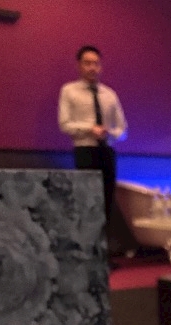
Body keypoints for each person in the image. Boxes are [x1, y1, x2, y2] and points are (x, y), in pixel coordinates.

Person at [58, 46, 127, 223]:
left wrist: (109, 133)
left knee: (107, 201)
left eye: (96, 63)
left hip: (107, 152)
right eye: (87, 63)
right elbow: (64, 124)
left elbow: (123, 130)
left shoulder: (109, 94)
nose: (92, 68)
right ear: (79, 65)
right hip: (85, 151)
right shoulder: (69, 90)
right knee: (86, 202)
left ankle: (105, 238)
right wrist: (90, 128)